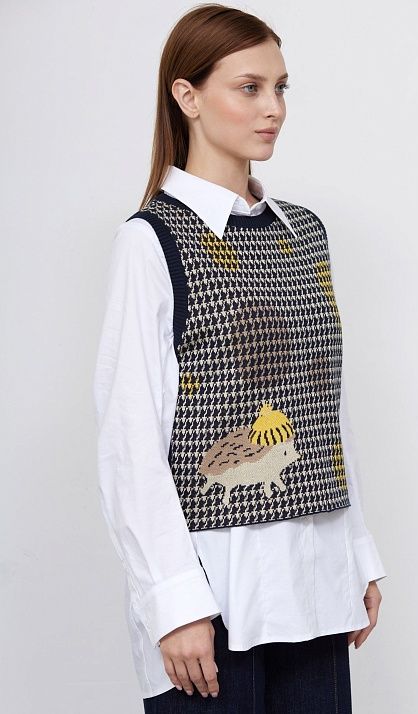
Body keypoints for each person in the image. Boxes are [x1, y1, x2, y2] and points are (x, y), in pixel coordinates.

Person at [92, 3, 387, 712]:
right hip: (215, 593)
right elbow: (130, 436)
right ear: (187, 96)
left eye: (280, 87)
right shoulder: (152, 241)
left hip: (316, 584)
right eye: (249, 87)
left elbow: (323, 410)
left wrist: (358, 554)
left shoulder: (304, 234)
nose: (273, 107)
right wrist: (173, 603)